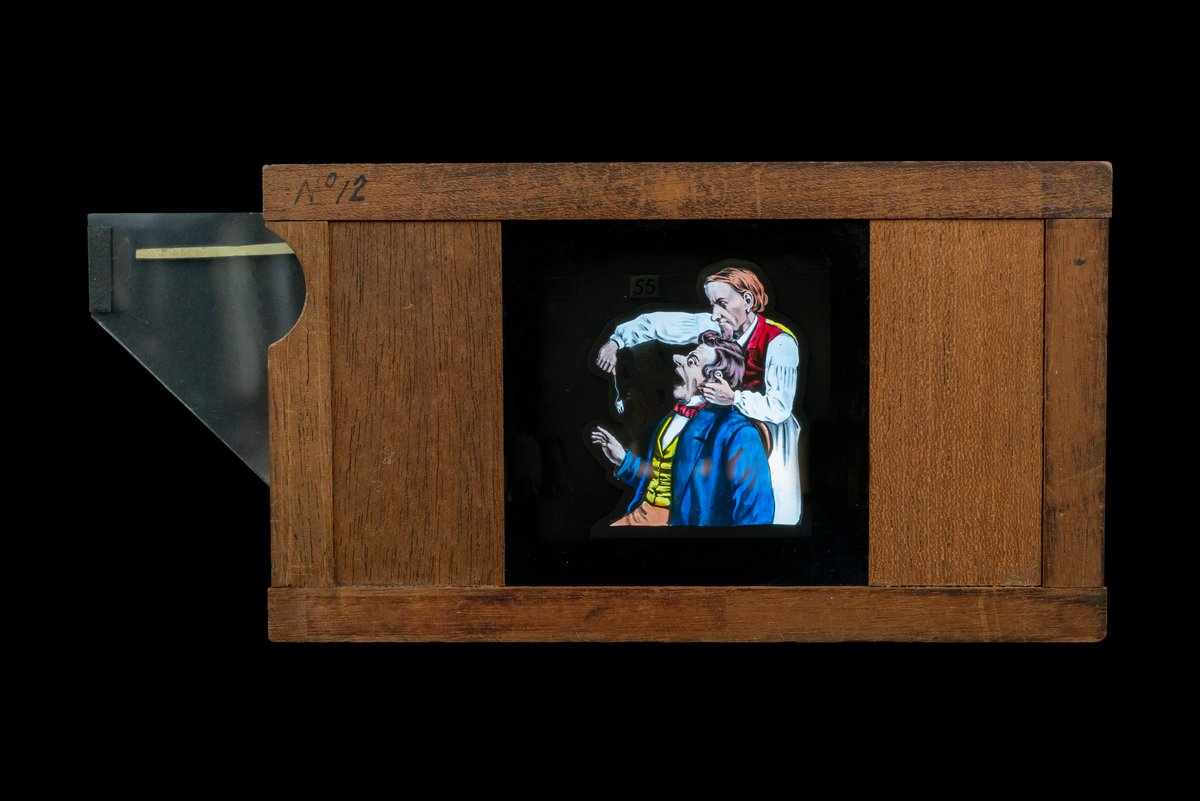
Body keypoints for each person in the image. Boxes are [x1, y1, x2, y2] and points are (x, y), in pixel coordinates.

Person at [594, 263, 803, 525]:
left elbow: (779, 406)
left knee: (767, 510)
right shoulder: (717, 326)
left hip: (766, 432)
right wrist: (618, 340)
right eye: (712, 305)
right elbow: (660, 324)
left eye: (721, 304)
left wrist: (735, 398)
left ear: (748, 300)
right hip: (716, 425)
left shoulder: (780, 342)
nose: (715, 314)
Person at [591, 331, 773, 527]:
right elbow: (661, 477)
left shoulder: (737, 432)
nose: (677, 358)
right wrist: (624, 460)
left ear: (714, 379)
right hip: (643, 515)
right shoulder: (670, 419)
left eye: (692, 361)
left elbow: (756, 514)